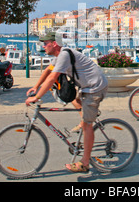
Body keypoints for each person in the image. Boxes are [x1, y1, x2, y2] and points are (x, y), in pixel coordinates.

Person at [25, 31, 108, 172]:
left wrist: (37, 96)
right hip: (87, 86)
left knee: (88, 125)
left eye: (45, 44)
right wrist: (36, 86)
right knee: (75, 100)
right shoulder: (60, 55)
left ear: (54, 44)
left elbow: (52, 78)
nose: (43, 46)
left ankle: (85, 163)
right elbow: (48, 71)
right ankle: (85, 117)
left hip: (95, 87)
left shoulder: (64, 55)